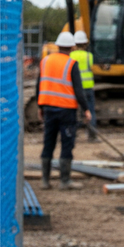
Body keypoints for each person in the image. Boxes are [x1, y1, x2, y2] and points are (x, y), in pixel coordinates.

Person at [37, 31, 92, 190]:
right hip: (66, 110)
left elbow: (38, 85)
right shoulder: (71, 63)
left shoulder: (45, 61)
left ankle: (45, 181)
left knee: (48, 143)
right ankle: (64, 180)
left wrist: (40, 107)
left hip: (48, 108)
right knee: (67, 144)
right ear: (71, 47)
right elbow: (78, 90)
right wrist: (86, 109)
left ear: (58, 46)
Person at [70, 30, 97, 141]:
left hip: (73, 88)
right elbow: (91, 68)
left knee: (72, 112)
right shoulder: (89, 56)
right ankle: (92, 136)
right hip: (87, 87)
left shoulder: (71, 55)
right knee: (90, 111)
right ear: (85, 44)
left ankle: (72, 134)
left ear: (74, 44)